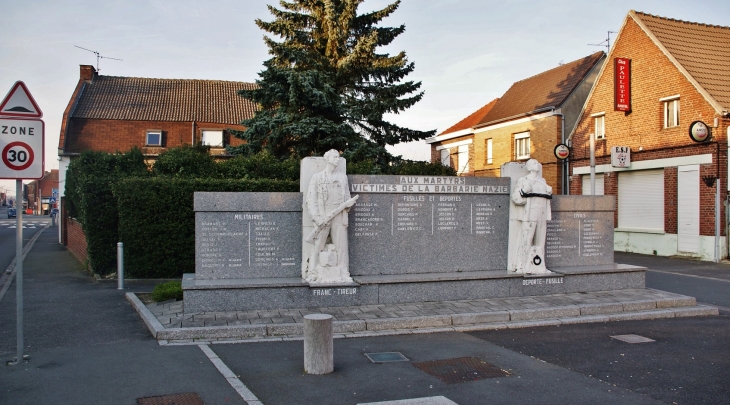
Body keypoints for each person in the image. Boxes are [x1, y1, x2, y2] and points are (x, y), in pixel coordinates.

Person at [305, 150, 358, 283]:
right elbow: (311, 199)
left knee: (341, 245)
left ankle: (343, 272)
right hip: (323, 215)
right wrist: (317, 218)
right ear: (327, 159)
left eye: (338, 157)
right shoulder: (317, 177)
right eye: (335, 157)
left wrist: (348, 204)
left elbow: (346, 197)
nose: (337, 159)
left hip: (339, 214)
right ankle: (312, 272)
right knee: (318, 244)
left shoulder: (342, 177)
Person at [511, 159, 552, 273]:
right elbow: (516, 198)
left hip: (542, 214)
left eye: (538, 163)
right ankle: (522, 265)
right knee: (527, 239)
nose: (537, 165)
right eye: (534, 163)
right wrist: (524, 190)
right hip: (530, 214)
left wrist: (549, 192)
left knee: (540, 241)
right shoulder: (524, 180)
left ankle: (540, 265)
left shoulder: (543, 181)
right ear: (529, 167)